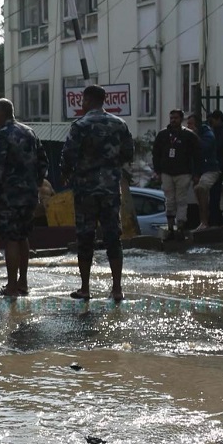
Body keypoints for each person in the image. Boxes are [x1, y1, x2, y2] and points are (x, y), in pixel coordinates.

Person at [61, 85, 134, 302]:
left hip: (86, 191)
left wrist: (67, 174)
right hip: (111, 189)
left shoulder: (80, 126)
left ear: (87, 100)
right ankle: (117, 289)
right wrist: (111, 168)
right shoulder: (119, 124)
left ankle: (85, 288)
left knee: (85, 237)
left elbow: (68, 156)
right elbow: (128, 153)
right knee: (113, 237)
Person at [0, 98, 47, 297]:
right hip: (29, 196)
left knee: (11, 239)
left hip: (10, 196)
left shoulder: (2, 135)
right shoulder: (29, 132)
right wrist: (35, 184)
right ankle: (23, 282)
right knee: (23, 237)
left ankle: (11, 286)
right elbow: (43, 162)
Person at [152, 109, 200, 240]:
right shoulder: (163, 135)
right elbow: (156, 153)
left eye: (176, 118)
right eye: (171, 118)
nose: (173, 120)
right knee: (169, 199)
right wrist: (158, 171)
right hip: (166, 172)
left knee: (181, 199)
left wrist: (196, 173)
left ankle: (181, 225)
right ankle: (170, 226)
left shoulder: (189, 136)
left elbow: (197, 155)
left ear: (181, 119)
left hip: (183, 173)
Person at [186, 112, 220, 231]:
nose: (188, 126)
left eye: (191, 124)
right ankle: (200, 221)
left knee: (200, 189)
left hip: (209, 169)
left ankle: (204, 221)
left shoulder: (207, 133)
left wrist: (195, 135)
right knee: (195, 196)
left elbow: (205, 148)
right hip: (197, 171)